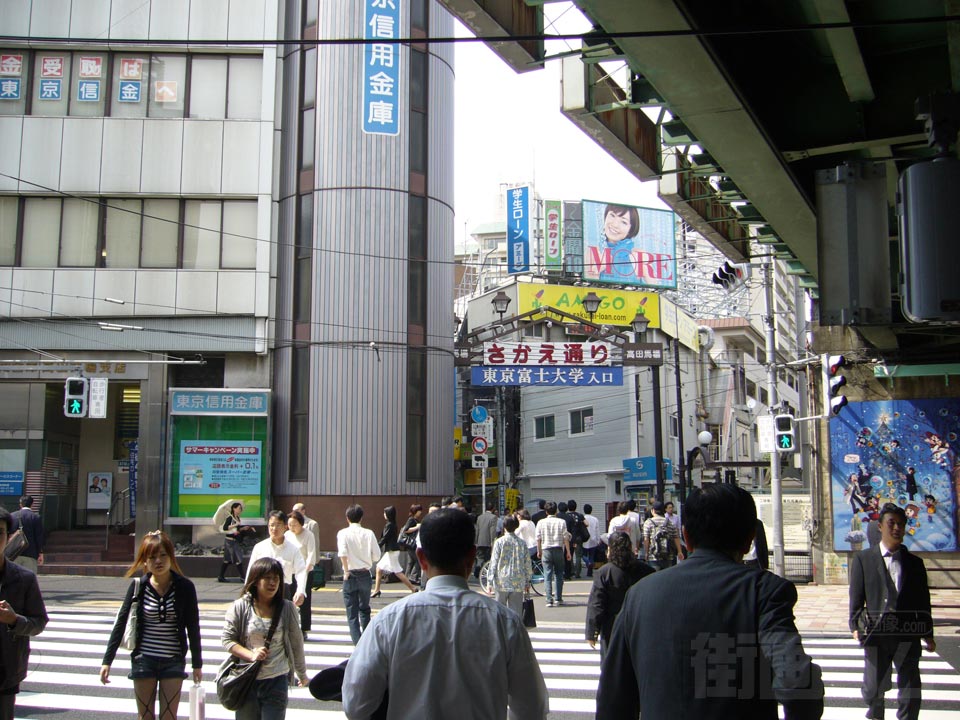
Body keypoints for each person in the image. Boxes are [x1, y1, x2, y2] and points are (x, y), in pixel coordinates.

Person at [596, 484, 824, 719]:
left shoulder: (639, 595)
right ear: (749, 540)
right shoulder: (764, 591)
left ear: (686, 536)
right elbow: (797, 682)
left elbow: (613, 698)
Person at [341, 508, 548, 720]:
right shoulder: (505, 622)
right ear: (471, 557)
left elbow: (356, 704)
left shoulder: (389, 621)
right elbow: (532, 707)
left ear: (421, 559)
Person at [100, 530, 202, 720]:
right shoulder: (139, 586)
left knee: (169, 716)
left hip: (173, 658)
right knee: (145, 716)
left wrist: (197, 664)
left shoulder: (185, 587)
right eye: (152, 556)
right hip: (144, 659)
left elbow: (193, 627)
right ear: (144, 561)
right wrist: (107, 661)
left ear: (171, 557)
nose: (158, 561)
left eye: (163, 555)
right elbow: (121, 623)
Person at [849, 503, 935, 720]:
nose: (896, 528)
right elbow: (857, 600)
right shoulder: (863, 560)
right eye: (891, 523)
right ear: (880, 526)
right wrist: (855, 626)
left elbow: (923, 601)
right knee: (873, 687)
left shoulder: (915, 564)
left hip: (907, 632)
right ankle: (875, 711)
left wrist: (928, 634)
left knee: (910, 687)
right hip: (877, 633)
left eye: (901, 524)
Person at [221, 558, 309, 719]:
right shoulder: (240, 606)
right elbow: (227, 639)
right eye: (267, 578)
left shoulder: (287, 608)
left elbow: (296, 643)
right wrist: (251, 654)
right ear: (255, 580)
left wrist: (302, 673)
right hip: (247, 679)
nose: (272, 583)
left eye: (276, 578)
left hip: (277, 680)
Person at [0, 506, 48, 720]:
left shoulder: (24, 579)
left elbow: (39, 622)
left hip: (5, 673)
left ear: (9, 537)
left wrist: (14, 620)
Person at [585, 531, 653, 658]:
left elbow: (596, 604)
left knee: (611, 664)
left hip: (612, 625)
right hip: (639, 624)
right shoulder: (645, 570)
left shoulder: (604, 573)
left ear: (610, 549)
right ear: (630, 548)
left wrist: (592, 633)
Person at [336, 504, 380, 644]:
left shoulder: (342, 533)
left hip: (350, 574)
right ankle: (366, 642)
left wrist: (346, 571)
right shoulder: (369, 533)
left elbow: (342, 553)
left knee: (352, 613)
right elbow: (377, 556)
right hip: (365, 574)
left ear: (347, 518)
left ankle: (357, 644)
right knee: (365, 609)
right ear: (361, 518)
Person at [246, 511, 306, 607]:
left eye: (278, 525)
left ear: (285, 527)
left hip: (283, 591)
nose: (274, 528)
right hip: (262, 590)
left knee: (282, 620)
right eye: (271, 525)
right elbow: (251, 571)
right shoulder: (260, 547)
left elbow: (301, 571)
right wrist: (247, 590)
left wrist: (300, 591)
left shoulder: (293, 549)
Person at [487, 515, 532, 616]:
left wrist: (489, 581)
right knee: (516, 613)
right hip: (518, 580)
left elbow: (493, 562)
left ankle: (501, 631)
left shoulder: (499, 542)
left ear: (504, 526)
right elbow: (527, 563)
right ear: (516, 526)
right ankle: (514, 631)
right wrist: (528, 581)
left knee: (500, 612)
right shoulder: (522, 543)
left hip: (501, 580)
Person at [371, 506, 417, 597]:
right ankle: (377, 590)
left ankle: (413, 588)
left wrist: (376, 546)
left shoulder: (389, 525)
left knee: (397, 572)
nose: (383, 514)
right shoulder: (391, 524)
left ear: (388, 514)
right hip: (392, 551)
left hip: (392, 551)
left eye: (385, 513)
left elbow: (385, 538)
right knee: (379, 569)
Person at [285, 510, 316, 638]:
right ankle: (289, 626)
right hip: (289, 571)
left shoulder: (308, 535)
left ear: (301, 524)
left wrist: (306, 570)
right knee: (288, 600)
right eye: (290, 525)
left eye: (295, 525)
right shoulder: (287, 534)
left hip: (304, 572)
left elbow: (311, 554)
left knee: (304, 601)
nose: (292, 528)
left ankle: (304, 628)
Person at [535, 501, 571, 608]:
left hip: (546, 549)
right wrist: (568, 552)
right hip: (558, 549)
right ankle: (558, 598)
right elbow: (565, 538)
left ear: (546, 512)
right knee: (559, 574)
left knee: (547, 574)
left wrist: (539, 551)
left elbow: (538, 538)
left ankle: (548, 600)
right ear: (556, 511)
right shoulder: (562, 522)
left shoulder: (541, 522)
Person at [642, 501, 683, 570]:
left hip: (653, 556)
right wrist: (679, 551)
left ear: (653, 511)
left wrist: (646, 553)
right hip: (668, 555)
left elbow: (646, 539)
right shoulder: (669, 522)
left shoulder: (648, 523)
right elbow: (676, 537)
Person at [219, 501, 252, 582]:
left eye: (241, 508)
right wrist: (235, 525)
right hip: (229, 542)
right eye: (239, 508)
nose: (240, 510)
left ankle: (222, 576)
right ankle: (242, 577)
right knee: (234, 558)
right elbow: (225, 528)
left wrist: (242, 529)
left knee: (232, 559)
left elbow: (237, 530)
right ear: (234, 509)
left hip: (234, 541)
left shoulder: (237, 518)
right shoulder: (230, 518)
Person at [10, 495, 44, 574]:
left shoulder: (12, 516)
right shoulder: (35, 517)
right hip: (30, 553)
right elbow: (39, 537)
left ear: (20, 504)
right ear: (32, 504)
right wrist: (40, 553)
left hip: (14, 553)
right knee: (29, 581)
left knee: (13, 580)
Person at [399, 504, 423, 583]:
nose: (420, 512)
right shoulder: (411, 520)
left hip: (411, 544)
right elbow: (406, 530)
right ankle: (413, 577)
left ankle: (406, 577)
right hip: (411, 544)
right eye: (419, 511)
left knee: (411, 561)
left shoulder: (415, 520)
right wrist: (417, 527)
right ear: (415, 511)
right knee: (418, 561)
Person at [474, 503, 498, 579]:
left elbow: (477, 530)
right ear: (493, 509)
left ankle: (477, 572)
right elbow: (492, 531)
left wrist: (476, 541)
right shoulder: (493, 517)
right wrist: (493, 542)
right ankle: (488, 574)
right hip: (488, 542)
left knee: (480, 558)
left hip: (480, 541)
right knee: (488, 559)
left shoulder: (480, 517)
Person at [566, 500, 587, 578]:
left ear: (568, 507)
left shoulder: (567, 516)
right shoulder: (579, 515)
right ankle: (578, 573)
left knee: (569, 554)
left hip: (569, 538)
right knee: (578, 556)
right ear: (576, 507)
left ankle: (571, 571)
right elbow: (587, 523)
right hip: (578, 538)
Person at [581, 504, 601, 577]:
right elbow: (597, 530)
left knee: (582, 555)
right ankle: (589, 572)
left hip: (584, 540)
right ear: (591, 510)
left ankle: (588, 562)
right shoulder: (595, 519)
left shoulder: (582, 518)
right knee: (591, 556)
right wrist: (598, 540)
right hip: (593, 540)